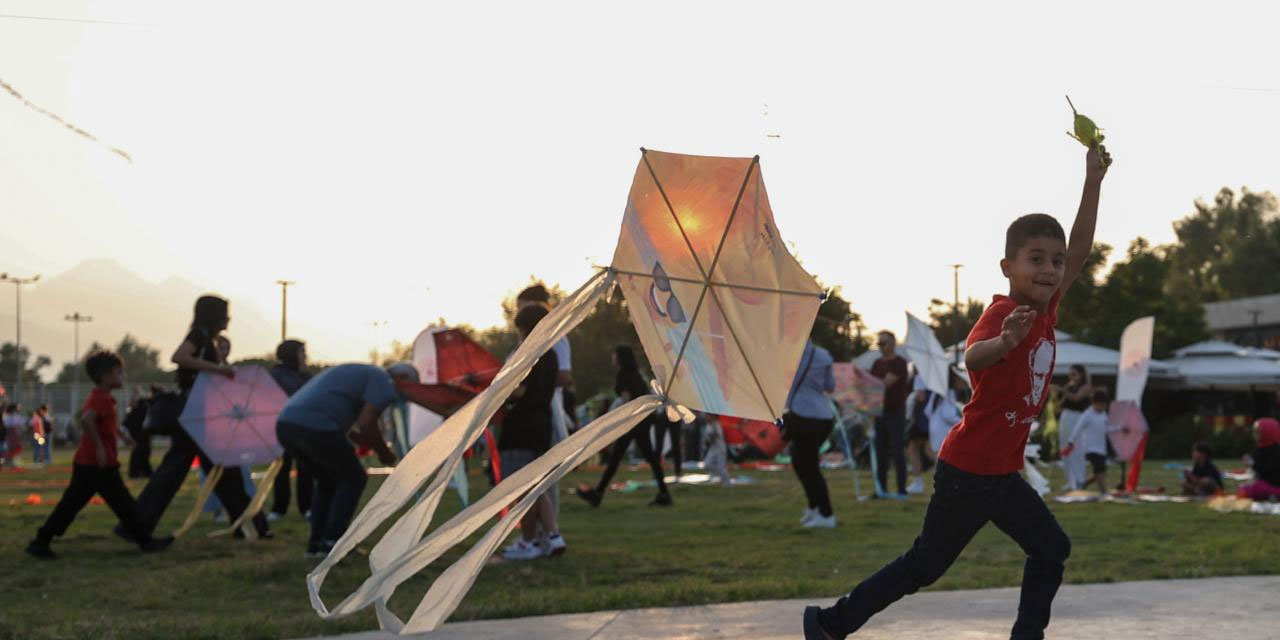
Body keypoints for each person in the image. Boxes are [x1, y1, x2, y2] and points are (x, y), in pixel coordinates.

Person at [804, 143, 1110, 640]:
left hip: (1002, 477)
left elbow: (1080, 249)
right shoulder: (1002, 314)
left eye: (1054, 262)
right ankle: (829, 623)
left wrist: (1092, 181)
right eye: (1036, 259)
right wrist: (1005, 341)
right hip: (968, 473)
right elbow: (972, 357)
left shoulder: (1047, 308)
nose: (1051, 269)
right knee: (924, 566)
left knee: (1052, 547)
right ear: (1007, 266)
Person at [123, 295, 271, 541]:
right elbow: (179, 357)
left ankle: (136, 525)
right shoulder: (200, 335)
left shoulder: (207, 338)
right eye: (225, 313)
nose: (229, 318)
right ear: (214, 315)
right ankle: (252, 526)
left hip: (200, 414)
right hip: (199, 414)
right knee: (222, 471)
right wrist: (219, 369)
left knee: (195, 472)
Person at [26, 352, 174, 559]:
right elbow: (87, 421)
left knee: (81, 504)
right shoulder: (101, 398)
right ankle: (146, 541)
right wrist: (100, 449)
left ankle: (41, 541)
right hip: (96, 465)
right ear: (105, 377)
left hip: (91, 464)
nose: (122, 377)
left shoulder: (101, 397)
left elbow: (105, 424)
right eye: (118, 374)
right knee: (122, 504)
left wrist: (123, 437)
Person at [276, 362, 407, 557]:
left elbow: (342, 414)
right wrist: (384, 453)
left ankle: (317, 544)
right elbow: (366, 422)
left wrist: (362, 438)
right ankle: (333, 541)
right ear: (402, 378)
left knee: (328, 481)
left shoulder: (359, 372)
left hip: (286, 425)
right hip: (316, 427)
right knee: (353, 478)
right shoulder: (383, 380)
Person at [498, 304, 567, 561]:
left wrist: (498, 388)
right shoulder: (551, 355)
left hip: (521, 427)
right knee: (537, 486)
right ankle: (551, 535)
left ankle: (529, 541)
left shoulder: (529, 354)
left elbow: (519, 391)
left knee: (522, 489)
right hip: (541, 425)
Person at [575, 345, 671, 508]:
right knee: (646, 458)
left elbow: (627, 400)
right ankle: (664, 494)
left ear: (620, 357)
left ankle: (598, 494)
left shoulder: (623, 375)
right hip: (642, 420)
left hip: (633, 421)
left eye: (614, 354)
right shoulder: (636, 374)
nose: (612, 357)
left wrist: (621, 421)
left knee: (617, 457)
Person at [784, 338, 837, 528]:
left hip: (803, 414)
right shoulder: (823, 355)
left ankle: (825, 513)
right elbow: (830, 386)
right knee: (802, 463)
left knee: (808, 466)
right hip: (823, 416)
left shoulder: (788, 355)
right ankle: (815, 507)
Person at [268, 339, 314, 522]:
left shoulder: (305, 375)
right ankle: (279, 508)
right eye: (301, 352)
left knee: (306, 469)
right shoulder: (277, 374)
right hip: (283, 426)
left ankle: (307, 507)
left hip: (303, 427)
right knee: (282, 469)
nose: (304, 356)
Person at [1061, 389, 1125, 495]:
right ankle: (1103, 492)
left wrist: (1119, 428)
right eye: (1101, 405)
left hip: (1101, 448)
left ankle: (1083, 483)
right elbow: (1078, 428)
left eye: (1105, 405)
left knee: (1100, 470)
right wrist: (1070, 441)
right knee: (1100, 470)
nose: (1103, 407)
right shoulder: (1087, 415)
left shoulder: (1103, 414)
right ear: (1094, 403)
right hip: (1090, 448)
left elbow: (1107, 428)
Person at [870, 331, 909, 497]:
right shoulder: (876, 363)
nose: (880, 347)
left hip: (896, 411)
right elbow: (871, 386)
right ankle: (882, 489)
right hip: (880, 412)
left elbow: (884, 384)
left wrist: (868, 385)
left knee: (897, 450)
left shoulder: (899, 363)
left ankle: (901, 489)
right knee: (880, 451)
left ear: (893, 344)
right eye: (878, 344)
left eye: (883, 343)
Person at [1052, 364, 1091, 490]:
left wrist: (1062, 390)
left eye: (1074, 374)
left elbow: (1076, 398)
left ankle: (1080, 480)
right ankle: (1070, 481)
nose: (1071, 377)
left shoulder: (1085, 387)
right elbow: (1061, 404)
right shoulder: (1068, 386)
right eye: (1070, 374)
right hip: (1066, 416)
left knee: (1076, 449)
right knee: (1065, 449)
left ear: (1081, 375)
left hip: (1077, 417)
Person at [904, 372, 934, 495]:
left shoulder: (920, 376)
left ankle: (918, 483)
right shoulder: (936, 374)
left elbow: (920, 397)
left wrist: (912, 396)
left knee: (913, 449)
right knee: (929, 450)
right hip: (932, 418)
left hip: (921, 419)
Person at [1239, 417, 1280, 501]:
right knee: (1243, 487)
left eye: (1257, 432)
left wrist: (1252, 464)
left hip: (1275, 485)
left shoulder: (1276, 451)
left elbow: (1270, 471)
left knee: (1256, 488)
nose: (1255, 435)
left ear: (1267, 433)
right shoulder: (1259, 449)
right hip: (1263, 484)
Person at [122, 388, 157, 478]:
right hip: (136, 431)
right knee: (138, 451)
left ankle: (145, 471)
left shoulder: (146, 404)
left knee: (145, 451)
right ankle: (135, 472)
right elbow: (131, 404)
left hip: (143, 431)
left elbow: (153, 400)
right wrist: (135, 393)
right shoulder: (138, 404)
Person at [3, 402, 24, 468]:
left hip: (14, 433)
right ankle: (11, 462)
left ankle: (14, 462)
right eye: (18, 407)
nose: (19, 408)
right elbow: (14, 424)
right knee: (12, 448)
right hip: (12, 433)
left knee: (15, 448)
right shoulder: (10, 416)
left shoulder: (12, 416)